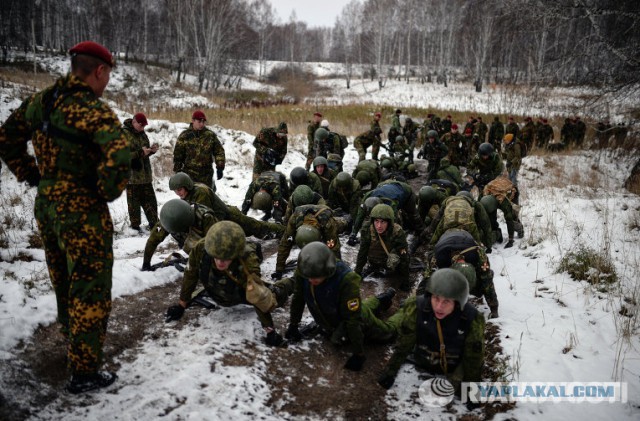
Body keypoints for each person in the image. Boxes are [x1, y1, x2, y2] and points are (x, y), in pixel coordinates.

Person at [0, 41, 129, 393]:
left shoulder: (43, 101)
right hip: (82, 212)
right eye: (108, 76)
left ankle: (74, 339)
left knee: (64, 278)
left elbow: (6, 138)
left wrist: (33, 175)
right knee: (90, 286)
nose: (107, 83)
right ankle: (84, 371)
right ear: (99, 71)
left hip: (48, 205)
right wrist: (103, 191)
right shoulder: (93, 110)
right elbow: (119, 158)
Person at [165, 221, 293, 346]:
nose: (220, 262)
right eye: (217, 257)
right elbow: (190, 275)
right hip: (218, 291)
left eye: (226, 259)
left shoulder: (248, 261)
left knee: (275, 296)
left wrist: (270, 331)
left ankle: (293, 281)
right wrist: (182, 304)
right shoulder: (201, 248)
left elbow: (257, 294)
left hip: (242, 293)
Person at [284, 242, 398, 371]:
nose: (310, 280)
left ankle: (404, 312)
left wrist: (358, 354)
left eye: (315, 277)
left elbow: (353, 319)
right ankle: (383, 298)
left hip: (357, 317)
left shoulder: (346, 279)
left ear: (327, 270)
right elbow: (298, 297)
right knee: (362, 306)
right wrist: (293, 324)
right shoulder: (305, 269)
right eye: (308, 277)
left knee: (388, 333)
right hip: (341, 314)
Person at [377, 269, 485, 394]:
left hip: (451, 367)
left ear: (457, 303)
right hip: (422, 358)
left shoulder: (472, 319)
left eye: (446, 301)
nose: (439, 307)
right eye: (436, 298)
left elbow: (473, 359)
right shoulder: (417, 307)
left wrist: (472, 391)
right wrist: (390, 371)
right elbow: (404, 343)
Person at [418, 230, 499, 318]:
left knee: (485, 278)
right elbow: (427, 281)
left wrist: (494, 308)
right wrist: (421, 308)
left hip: (466, 236)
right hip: (446, 236)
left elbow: (487, 280)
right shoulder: (439, 259)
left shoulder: (478, 255)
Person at [273, 204, 341, 279]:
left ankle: (349, 220)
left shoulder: (327, 224)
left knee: (341, 225)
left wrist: (336, 272)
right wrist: (279, 269)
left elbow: (334, 248)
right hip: (307, 215)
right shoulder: (294, 219)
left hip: (324, 214)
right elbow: (285, 244)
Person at [354, 204, 410, 290]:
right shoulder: (367, 228)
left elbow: (404, 257)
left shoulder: (397, 232)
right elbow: (363, 252)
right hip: (374, 261)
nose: (379, 226)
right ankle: (375, 266)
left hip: (391, 263)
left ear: (389, 222)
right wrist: (357, 273)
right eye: (376, 221)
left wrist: (405, 281)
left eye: (383, 222)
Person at [173, 110, 225, 192]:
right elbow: (178, 155)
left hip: (206, 176)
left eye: (203, 121)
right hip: (189, 175)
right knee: (189, 200)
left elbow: (219, 152)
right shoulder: (184, 136)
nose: (202, 124)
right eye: (199, 121)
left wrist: (220, 167)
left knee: (205, 199)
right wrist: (177, 172)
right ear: (193, 121)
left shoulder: (210, 135)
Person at [123, 112, 158, 231]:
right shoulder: (123, 134)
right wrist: (139, 153)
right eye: (141, 125)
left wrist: (151, 151)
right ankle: (135, 229)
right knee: (134, 206)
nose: (143, 128)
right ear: (133, 122)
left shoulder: (143, 134)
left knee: (151, 202)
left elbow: (144, 153)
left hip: (145, 176)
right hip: (132, 177)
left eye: (144, 126)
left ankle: (154, 224)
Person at [481, 176, 524, 248]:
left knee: (513, 217)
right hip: (497, 188)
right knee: (491, 216)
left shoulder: (504, 202)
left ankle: (520, 231)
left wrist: (510, 240)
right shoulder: (484, 195)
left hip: (510, 190)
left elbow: (509, 220)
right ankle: (496, 233)